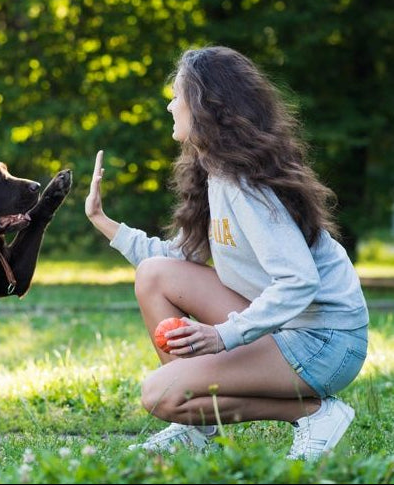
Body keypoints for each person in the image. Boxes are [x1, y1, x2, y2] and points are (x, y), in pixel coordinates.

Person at [84, 46, 369, 460]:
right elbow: (177, 259)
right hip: (292, 328)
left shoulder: (243, 185)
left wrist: (223, 336)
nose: (169, 105)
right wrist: (104, 222)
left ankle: (314, 412)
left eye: (176, 95)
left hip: (326, 341)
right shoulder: (215, 173)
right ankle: (198, 428)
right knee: (155, 274)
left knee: (160, 392)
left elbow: (299, 280)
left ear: (203, 105)